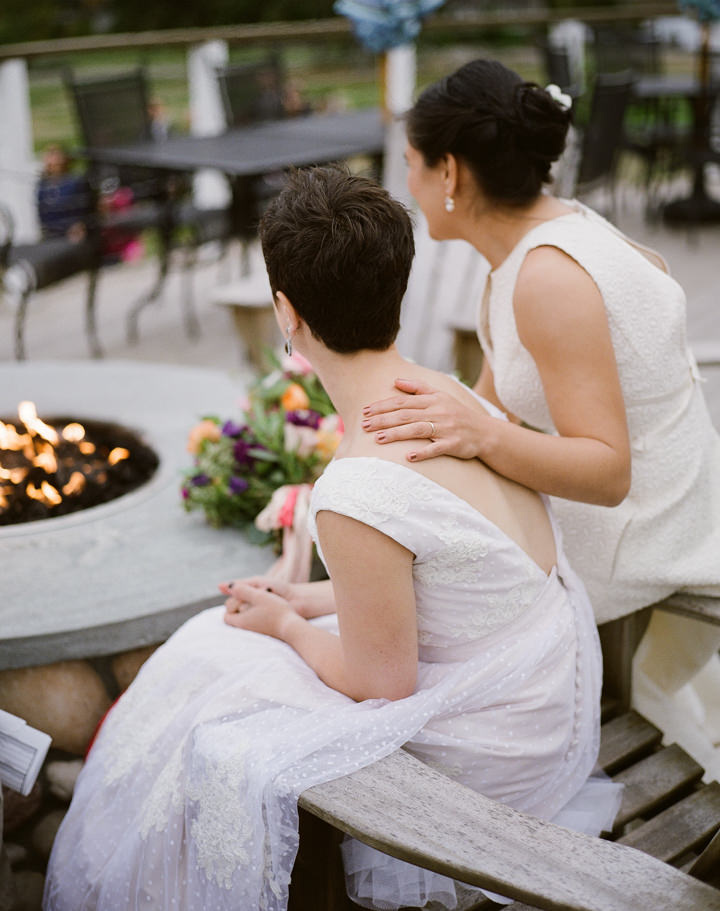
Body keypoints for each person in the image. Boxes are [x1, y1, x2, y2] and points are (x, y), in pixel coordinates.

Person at [44, 167, 620, 911]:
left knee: (209, 683)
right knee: (215, 645)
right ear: (397, 285)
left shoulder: (357, 489)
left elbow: (383, 685)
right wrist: (308, 593)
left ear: (287, 313)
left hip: (497, 758)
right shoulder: (447, 397)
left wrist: (288, 623)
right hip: (551, 701)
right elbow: (456, 572)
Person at [360, 58, 720, 756]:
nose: (404, 183)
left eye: (409, 163)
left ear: (451, 173)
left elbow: (608, 469)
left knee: (431, 614)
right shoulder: (538, 243)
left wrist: (474, 436)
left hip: (649, 544)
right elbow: (494, 406)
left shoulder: (550, 278)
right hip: (649, 511)